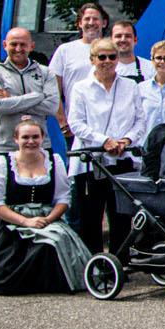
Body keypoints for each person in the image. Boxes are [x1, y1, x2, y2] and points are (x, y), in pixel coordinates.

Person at [0, 118, 91, 295]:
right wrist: (26, 222)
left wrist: (48, 219)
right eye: (25, 137)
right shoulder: (4, 162)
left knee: (52, 243)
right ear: (16, 139)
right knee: (4, 281)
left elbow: (63, 198)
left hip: (47, 219)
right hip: (14, 222)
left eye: (35, 137)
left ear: (42, 138)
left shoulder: (54, 160)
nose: (31, 141)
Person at [65, 37, 143, 254]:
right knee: (90, 216)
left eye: (112, 56)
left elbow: (140, 120)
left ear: (118, 59)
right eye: (101, 57)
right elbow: (76, 123)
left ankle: (119, 261)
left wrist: (126, 140)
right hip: (91, 161)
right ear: (92, 59)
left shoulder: (130, 86)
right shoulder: (81, 88)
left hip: (122, 158)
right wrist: (104, 141)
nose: (107, 61)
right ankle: (94, 262)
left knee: (121, 216)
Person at [0, 28, 60, 156]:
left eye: (23, 44)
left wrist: (10, 98)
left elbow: (51, 108)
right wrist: (38, 96)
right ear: (5, 45)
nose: (18, 49)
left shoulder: (45, 72)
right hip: (4, 147)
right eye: (13, 44)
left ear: (32, 46)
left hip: (40, 146)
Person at [49, 1, 110, 110]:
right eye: (87, 19)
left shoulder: (113, 51)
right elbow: (53, 92)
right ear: (80, 23)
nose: (91, 22)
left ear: (104, 23)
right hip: (75, 118)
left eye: (95, 19)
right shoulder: (64, 50)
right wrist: (62, 120)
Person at [140, 41, 165, 133]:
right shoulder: (141, 88)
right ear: (152, 60)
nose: (162, 62)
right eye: (158, 58)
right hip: (147, 139)